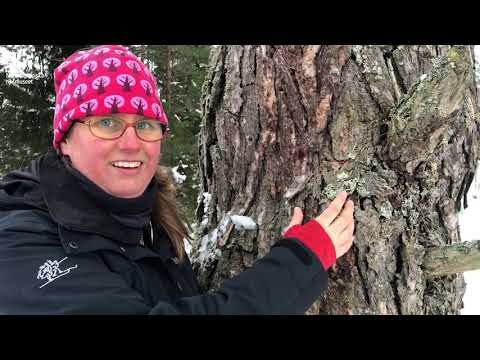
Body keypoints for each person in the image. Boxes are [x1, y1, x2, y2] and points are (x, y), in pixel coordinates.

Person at [0, 45, 355, 314]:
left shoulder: (148, 221)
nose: (130, 142)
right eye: (106, 122)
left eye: (145, 125)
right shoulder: (21, 244)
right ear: (64, 139)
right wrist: (299, 263)